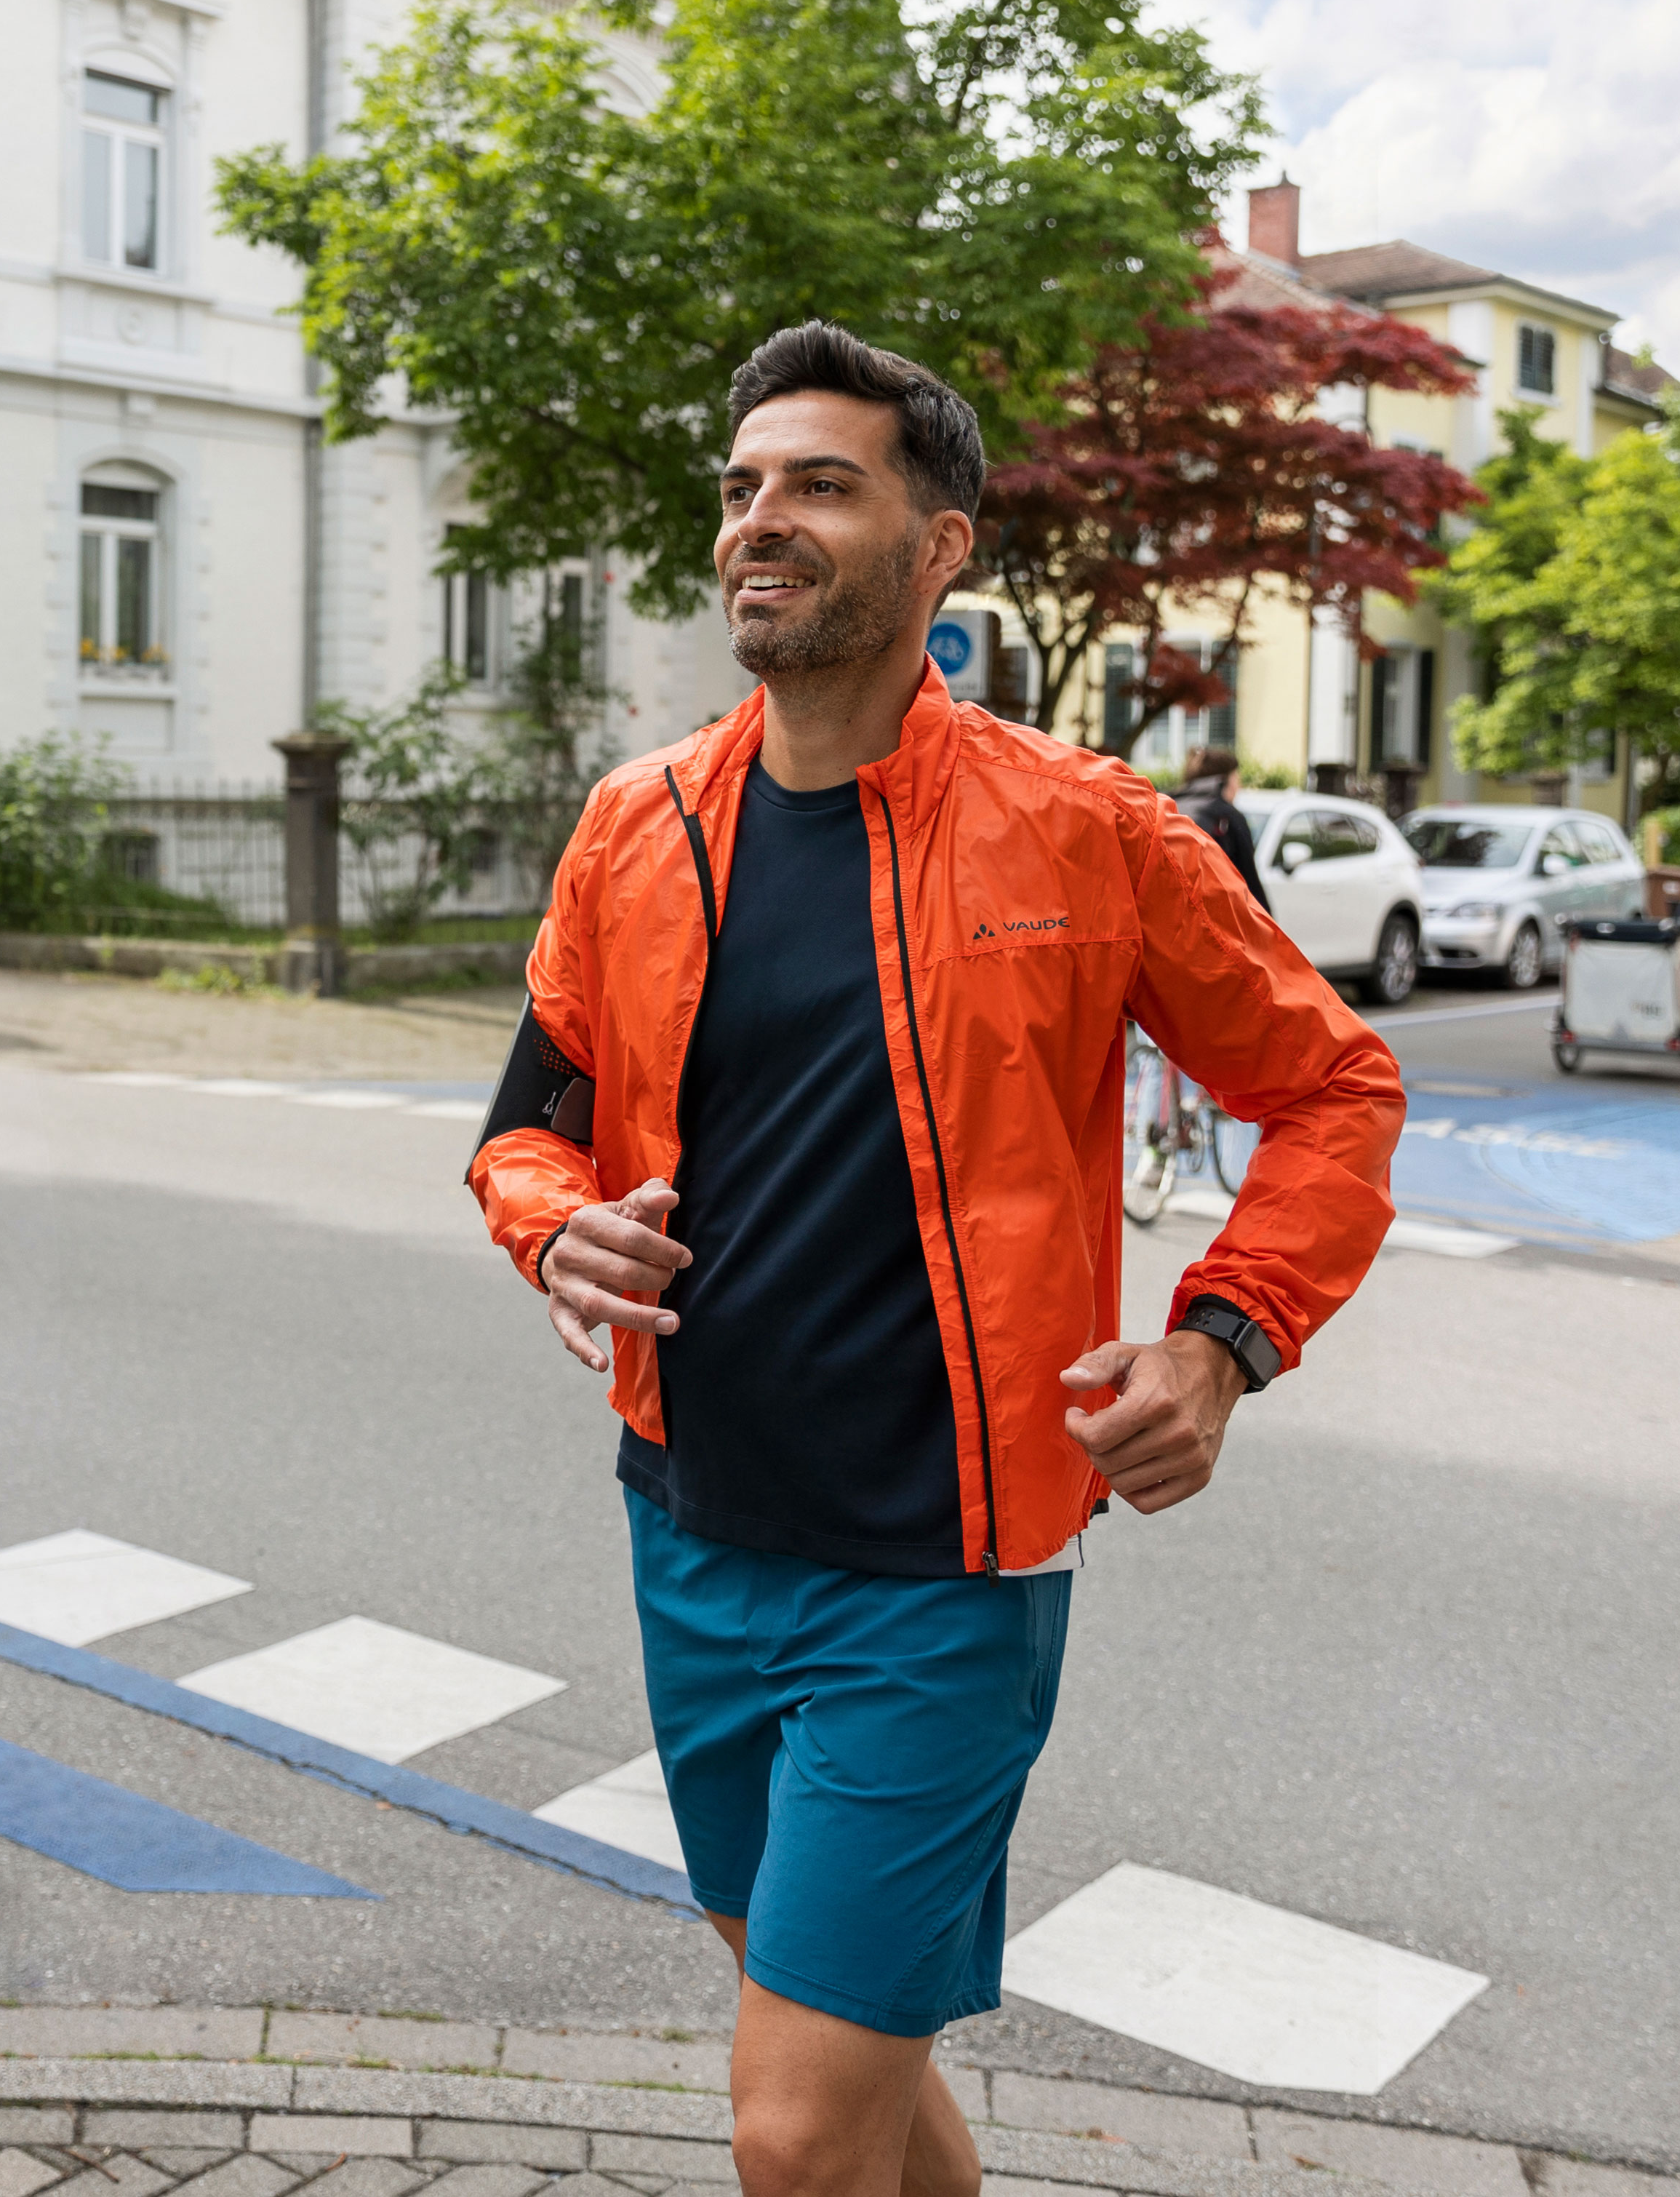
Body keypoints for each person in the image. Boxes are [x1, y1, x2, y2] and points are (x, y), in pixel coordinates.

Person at [469, 323, 1404, 2197]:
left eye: (819, 483)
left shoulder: (1090, 828)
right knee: (853, 2084)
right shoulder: (632, 830)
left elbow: (1331, 1086)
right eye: (742, 486)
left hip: (941, 1577)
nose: (761, 519)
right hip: (692, 1529)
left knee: (792, 2132)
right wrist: (549, 1224)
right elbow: (525, 1125)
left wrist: (1220, 1341)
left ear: (939, 544)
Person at [1174, 743, 1268, 913]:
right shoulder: (1227, 816)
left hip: (1170, 919)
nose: (1239, 787)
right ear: (1228, 780)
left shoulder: (1170, 806)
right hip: (1214, 920)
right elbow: (1248, 879)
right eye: (1237, 778)